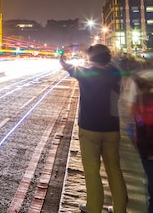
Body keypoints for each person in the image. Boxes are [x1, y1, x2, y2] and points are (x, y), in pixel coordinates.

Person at [60, 44, 127, 213]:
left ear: (91, 59)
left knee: (92, 171)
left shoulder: (85, 73)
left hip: (90, 128)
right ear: (108, 58)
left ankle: (93, 207)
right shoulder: (116, 74)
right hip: (112, 128)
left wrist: (62, 56)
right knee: (114, 169)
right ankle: (120, 209)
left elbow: (65, 65)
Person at [123, 69, 153, 213]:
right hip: (147, 142)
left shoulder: (138, 83)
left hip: (147, 144)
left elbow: (131, 112)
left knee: (150, 178)